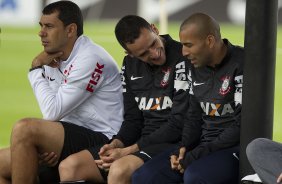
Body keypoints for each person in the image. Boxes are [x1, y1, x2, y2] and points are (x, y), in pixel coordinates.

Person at [57, 15, 191, 184]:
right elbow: (132, 119)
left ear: (154, 29)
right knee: (70, 167)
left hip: (173, 142)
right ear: (130, 54)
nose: (155, 53)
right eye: (144, 54)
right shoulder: (129, 65)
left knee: (119, 170)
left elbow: (178, 124)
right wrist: (117, 143)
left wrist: (128, 151)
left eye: (153, 44)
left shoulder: (184, 57)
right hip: (142, 141)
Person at [0, 1, 123, 184]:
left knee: (24, 129)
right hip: (72, 132)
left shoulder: (91, 58)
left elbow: (52, 112)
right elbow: (57, 115)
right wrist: (49, 145)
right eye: (41, 26)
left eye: (49, 26)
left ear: (70, 30)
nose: (41, 32)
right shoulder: (54, 56)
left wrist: (35, 69)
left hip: (103, 138)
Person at [132, 12, 244, 184]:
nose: (183, 52)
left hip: (233, 149)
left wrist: (197, 154)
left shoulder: (242, 63)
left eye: (189, 45)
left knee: (195, 176)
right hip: (202, 146)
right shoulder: (193, 66)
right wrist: (183, 148)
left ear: (210, 41)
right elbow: (193, 115)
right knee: (144, 176)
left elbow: (240, 125)